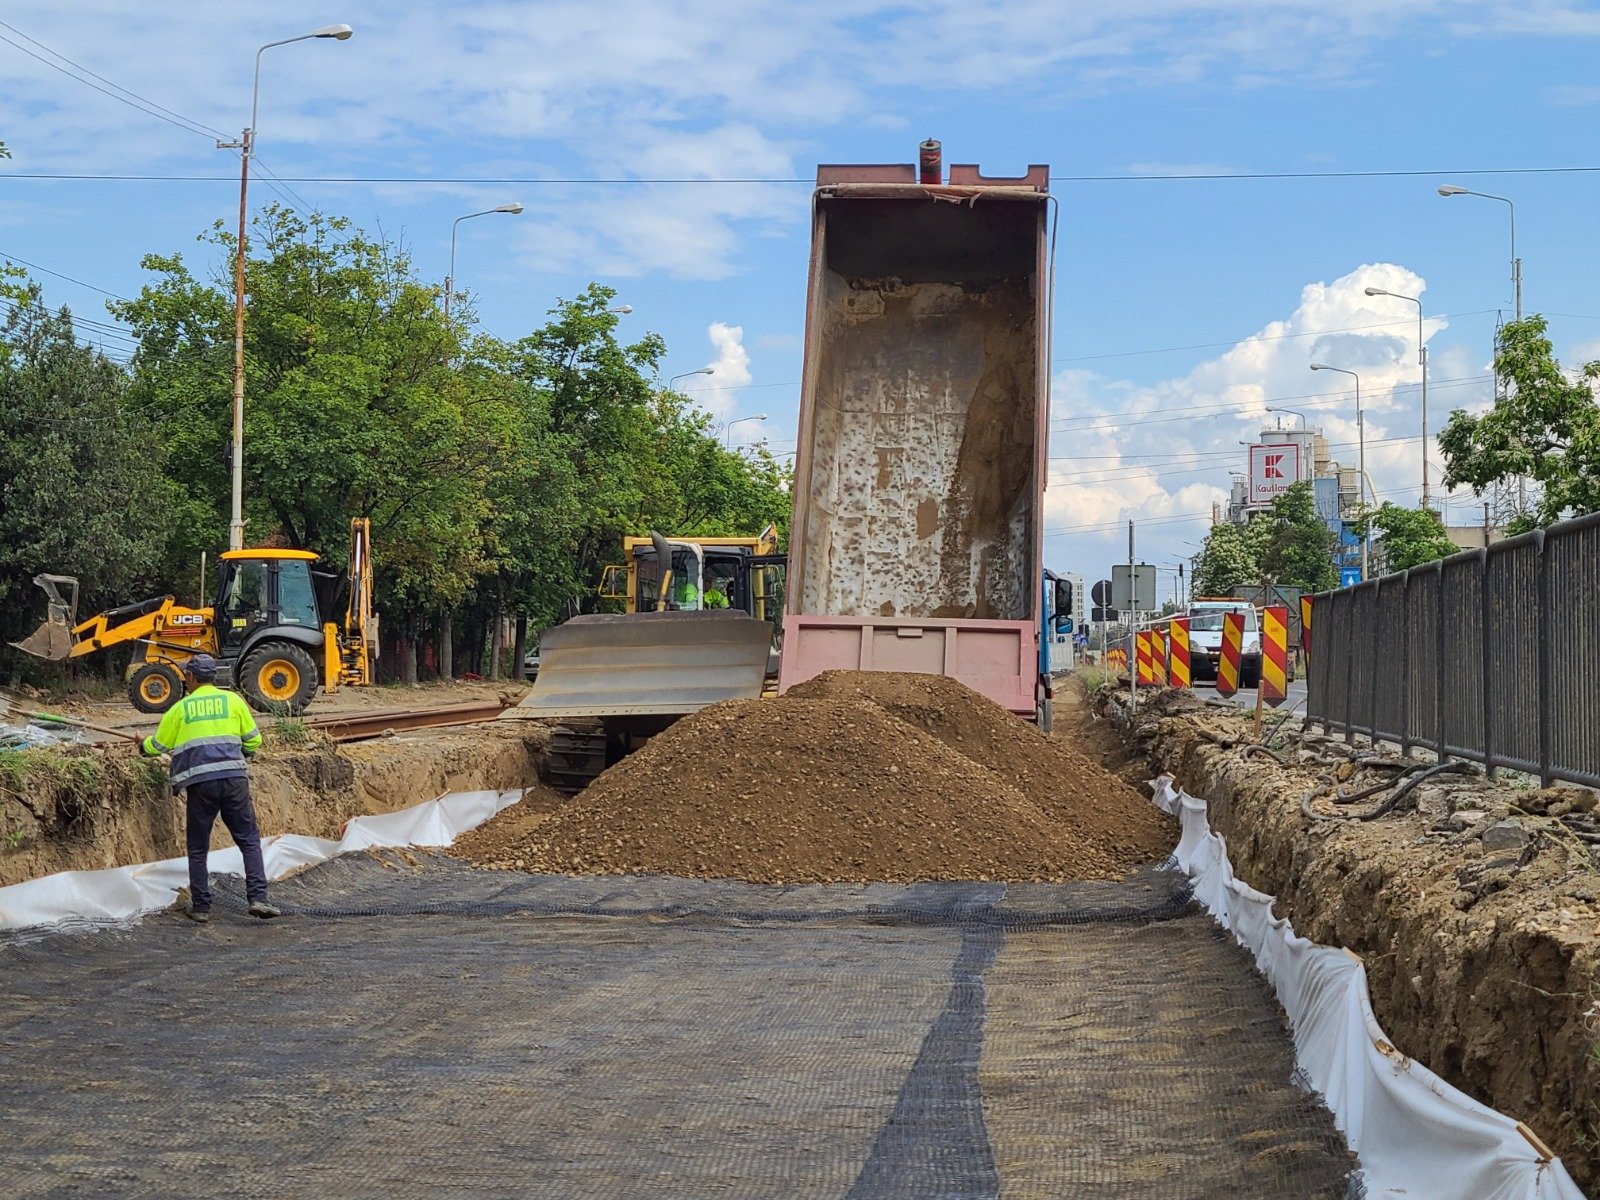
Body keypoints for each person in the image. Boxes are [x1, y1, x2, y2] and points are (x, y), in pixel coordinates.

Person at [140, 654, 280, 923]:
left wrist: (141, 745)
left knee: (197, 846)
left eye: (186, 676)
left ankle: (202, 907)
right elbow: (253, 740)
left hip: (200, 785)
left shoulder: (182, 708)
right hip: (234, 780)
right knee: (249, 840)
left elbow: (157, 746)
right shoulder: (233, 701)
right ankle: (258, 898)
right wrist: (243, 754)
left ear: (191, 677)